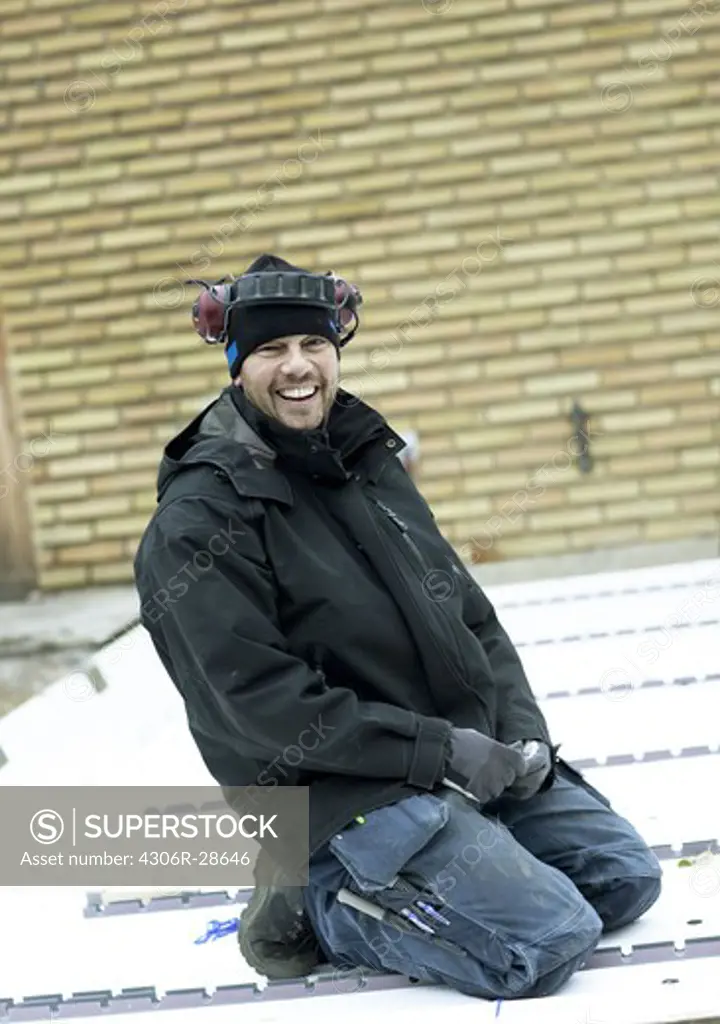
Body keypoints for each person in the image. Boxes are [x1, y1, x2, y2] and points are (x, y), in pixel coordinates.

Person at [133, 254, 661, 1001]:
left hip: (454, 767)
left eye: (314, 345)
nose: (298, 367)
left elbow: (469, 614)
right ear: (235, 365)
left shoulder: (365, 462)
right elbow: (260, 707)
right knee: (546, 942)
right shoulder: (199, 522)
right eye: (270, 350)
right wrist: (439, 750)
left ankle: (462, 854)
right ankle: (318, 906)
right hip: (343, 800)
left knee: (622, 881)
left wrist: (519, 733)